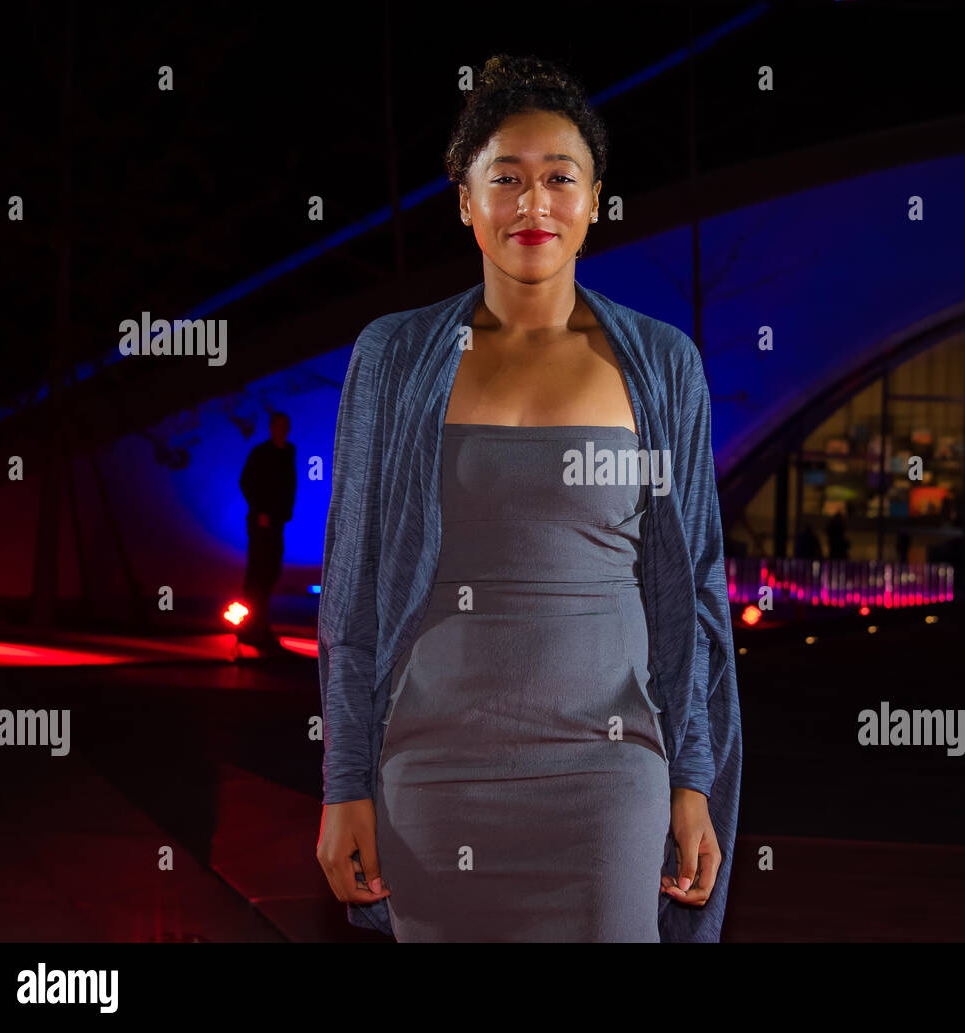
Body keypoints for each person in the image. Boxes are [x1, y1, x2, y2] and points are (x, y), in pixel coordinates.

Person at [315, 55, 741, 943]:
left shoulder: (662, 367)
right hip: (429, 776)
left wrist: (691, 779)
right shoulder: (392, 359)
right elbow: (350, 594)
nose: (532, 204)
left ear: (594, 200)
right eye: (504, 178)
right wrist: (344, 782)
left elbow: (694, 589)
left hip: (609, 778)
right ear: (466, 201)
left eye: (559, 178)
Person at [238, 411, 295, 648]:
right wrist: (260, 511)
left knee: (270, 573)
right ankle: (251, 627)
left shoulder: (289, 452)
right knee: (258, 576)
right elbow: (246, 481)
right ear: (272, 428)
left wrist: (284, 513)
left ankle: (259, 625)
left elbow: (288, 484)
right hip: (262, 523)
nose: (281, 430)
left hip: (277, 522)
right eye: (278, 426)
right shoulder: (261, 453)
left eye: (285, 425)